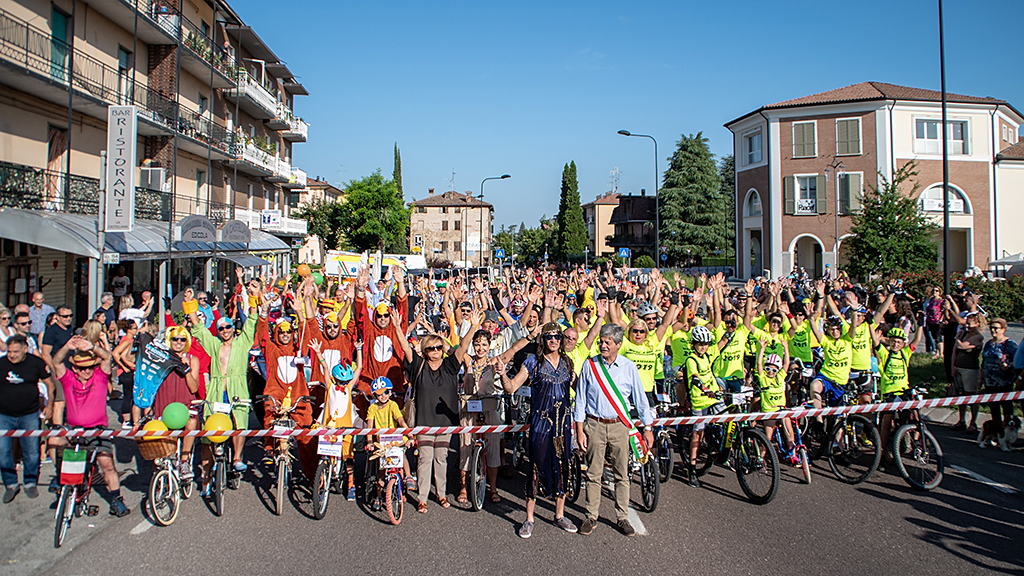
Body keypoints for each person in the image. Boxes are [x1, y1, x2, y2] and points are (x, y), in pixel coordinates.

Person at [392, 309, 480, 513]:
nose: (435, 351)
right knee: (424, 459)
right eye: (431, 348)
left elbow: (463, 347)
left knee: (441, 458)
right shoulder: (418, 366)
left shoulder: (450, 366)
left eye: (439, 347)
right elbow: (405, 347)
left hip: (445, 423)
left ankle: (441, 494)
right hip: (423, 421)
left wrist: (473, 327)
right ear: (425, 350)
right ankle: (422, 498)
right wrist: (397, 327)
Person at [573, 323, 653, 537]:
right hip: (594, 425)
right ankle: (591, 515)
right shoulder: (590, 366)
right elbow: (580, 400)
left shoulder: (629, 367)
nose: (603, 345)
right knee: (593, 473)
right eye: (601, 341)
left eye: (608, 342)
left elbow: (640, 399)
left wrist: (647, 427)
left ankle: (622, 517)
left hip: (619, 426)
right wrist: (579, 430)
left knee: (622, 473)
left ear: (618, 344)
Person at [499, 322, 579, 538]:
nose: (553, 340)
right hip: (541, 426)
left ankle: (559, 515)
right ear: (542, 340)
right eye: (549, 336)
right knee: (535, 468)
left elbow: (580, 389)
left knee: (563, 468)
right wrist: (502, 374)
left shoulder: (568, 363)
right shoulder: (533, 362)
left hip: (562, 425)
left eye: (557, 336)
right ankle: (529, 518)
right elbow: (511, 387)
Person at [50, 336, 131, 517]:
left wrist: (92, 347)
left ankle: (116, 500)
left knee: (107, 464)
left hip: (97, 430)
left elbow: (108, 358)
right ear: (75, 369)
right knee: (55, 441)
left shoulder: (100, 377)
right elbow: (56, 362)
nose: (86, 370)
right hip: (75, 430)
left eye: (89, 367)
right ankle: (63, 482)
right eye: (81, 368)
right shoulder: (69, 379)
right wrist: (67, 346)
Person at [184, 286, 259, 473]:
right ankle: (207, 471)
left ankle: (237, 457)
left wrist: (254, 296)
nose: (224, 330)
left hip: (237, 389)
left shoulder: (242, 342)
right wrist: (189, 302)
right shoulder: (214, 344)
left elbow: (252, 321)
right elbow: (198, 328)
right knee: (210, 425)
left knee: (240, 423)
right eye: (221, 328)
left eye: (227, 327)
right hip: (217, 389)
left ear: (233, 329)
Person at [0, 335, 54, 503]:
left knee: (31, 452)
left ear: (25, 349)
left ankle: (30, 482)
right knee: (3, 452)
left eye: (15, 352)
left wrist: (50, 405)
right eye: (9, 352)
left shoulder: (35, 363)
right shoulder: (1, 364)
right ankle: (11, 484)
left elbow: (50, 385)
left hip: (29, 414)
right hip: (4, 415)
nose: (12, 355)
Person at [309, 338, 362, 500]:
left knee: (348, 457)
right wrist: (318, 352)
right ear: (335, 379)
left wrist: (358, 350)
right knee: (324, 455)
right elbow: (324, 367)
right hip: (329, 427)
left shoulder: (348, 387)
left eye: (345, 381)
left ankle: (351, 484)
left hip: (346, 427)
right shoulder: (330, 387)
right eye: (340, 381)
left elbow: (359, 368)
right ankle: (321, 479)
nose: (343, 383)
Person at [457, 329, 503, 506]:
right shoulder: (468, 360)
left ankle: (493, 488)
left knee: (492, 450)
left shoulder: (493, 363)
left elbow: (513, 350)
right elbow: (455, 348)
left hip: (489, 408)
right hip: (469, 409)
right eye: (477, 344)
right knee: (465, 447)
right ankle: (463, 487)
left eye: (484, 344)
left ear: (489, 345)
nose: (480, 348)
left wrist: (529, 336)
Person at [151, 326, 201, 482]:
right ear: (169, 340)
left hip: (184, 403)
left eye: (182, 339)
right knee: (162, 443)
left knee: (191, 423)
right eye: (175, 339)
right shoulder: (161, 358)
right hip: (164, 402)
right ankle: (160, 480)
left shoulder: (192, 359)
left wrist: (186, 369)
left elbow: (194, 387)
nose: (178, 342)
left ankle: (184, 461)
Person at [680, 324, 724, 488]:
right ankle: (691, 469)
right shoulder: (692, 359)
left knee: (726, 418)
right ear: (694, 344)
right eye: (700, 344)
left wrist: (717, 388)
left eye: (706, 344)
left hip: (713, 398)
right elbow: (696, 378)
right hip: (700, 399)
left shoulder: (706, 357)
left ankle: (717, 444)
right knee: (698, 434)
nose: (703, 347)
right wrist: (705, 390)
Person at [365, 376, 409, 510]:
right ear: (374, 395)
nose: (383, 396)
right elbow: (369, 426)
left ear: (390, 392)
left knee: (402, 457)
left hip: (395, 440)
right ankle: (378, 496)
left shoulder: (393, 405)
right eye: (379, 394)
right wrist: (370, 441)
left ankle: (408, 477)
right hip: (382, 443)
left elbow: (401, 421)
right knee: (381, 471)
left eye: (386, 392)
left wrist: (410, 435)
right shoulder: (372, 408)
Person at [979, 317, 1017, 433]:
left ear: (1003, 329)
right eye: (991, 328)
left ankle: (1008, 434)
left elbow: (1018, 360)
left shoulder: (1009, 344)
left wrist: (1008, 365)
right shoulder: (988, 344)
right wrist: (980, 380)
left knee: (1007, 410)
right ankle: (997, 433)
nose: (993, 331)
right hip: (990, 383)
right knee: (994, 410)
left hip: (1004, 382)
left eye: (996, 328)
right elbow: (983, 363)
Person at [950, 312, 983, 432]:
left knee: (971, 395)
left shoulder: (978, 337)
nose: (967, 327)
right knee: (961, 395)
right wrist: (952, 367)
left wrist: (958, 338)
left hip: (970, 369)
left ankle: (973, 422)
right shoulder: (963, 334)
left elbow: (962, 346)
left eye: (970, 324)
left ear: (977, 324)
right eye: (967, 324)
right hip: (959, 367)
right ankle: (961, 420)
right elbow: (954, 351)